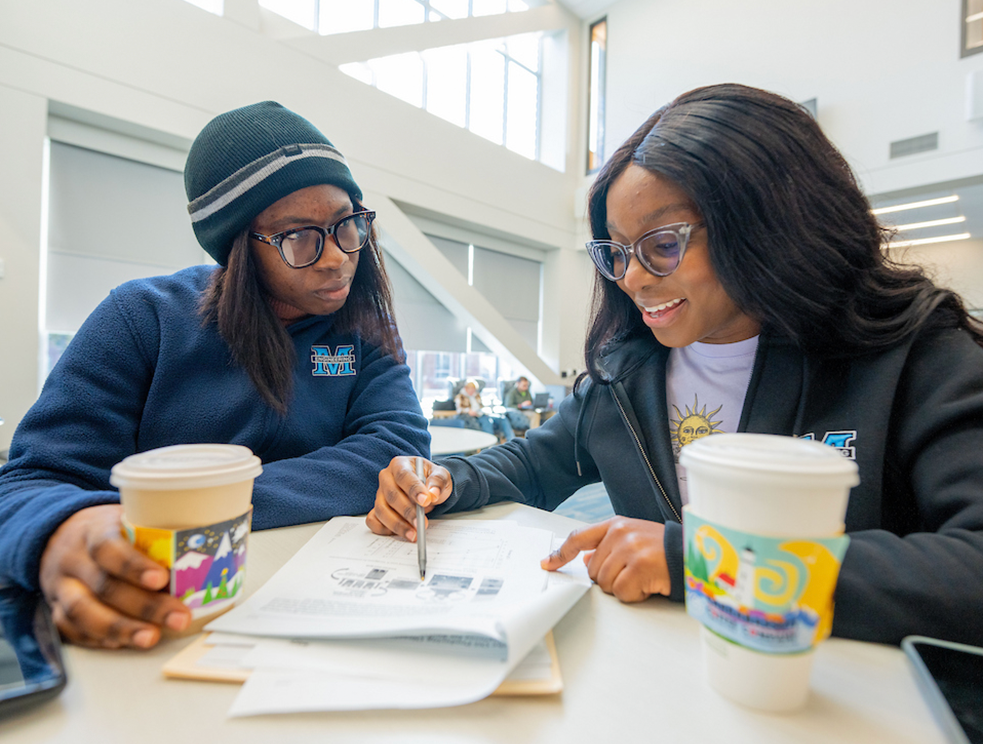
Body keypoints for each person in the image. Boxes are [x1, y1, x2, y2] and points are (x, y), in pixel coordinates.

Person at [368, 83, 983, 647]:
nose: (632, 277)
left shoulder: (912, 356)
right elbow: (532, 463)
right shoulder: (626, 374)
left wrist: (703, 564)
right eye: (618, 253)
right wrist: (442, 480)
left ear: (768, 226)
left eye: (663, 245)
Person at [0, 101, 429, 650]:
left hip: (312, 607)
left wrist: (201, 509)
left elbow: (393, 448)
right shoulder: (142, 318)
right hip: (167, 608)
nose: (336, 258)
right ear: (238, 246)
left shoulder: (364, 327)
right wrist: (59, 531)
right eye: (300, 236)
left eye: (348, 224)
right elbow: (31, 480)